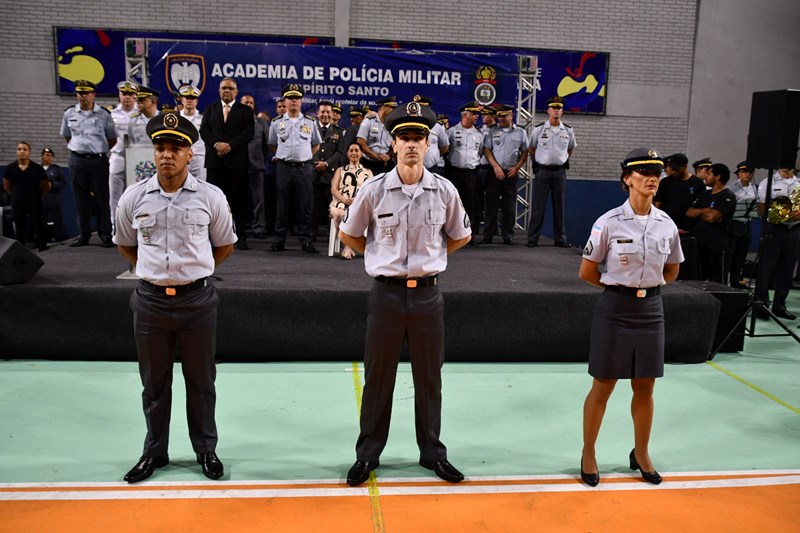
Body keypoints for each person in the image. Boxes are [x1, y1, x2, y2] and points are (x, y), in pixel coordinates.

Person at [340, 100, 471, 487]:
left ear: (429, 144)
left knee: (429, 377)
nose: (412, 144)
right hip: (387, 295)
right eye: (404, 137)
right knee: (379, 377)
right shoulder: (374, 190)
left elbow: (460, 236)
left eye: (419, 137)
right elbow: (350, 233)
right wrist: (380, 255)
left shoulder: (444, 191)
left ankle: (432, 452)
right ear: (393, 143)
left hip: (428, 296)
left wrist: (431, 258)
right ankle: (367, 455)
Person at [114, 111, 236, 484]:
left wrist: (189, 275)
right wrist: (157, 276)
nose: (167, 154)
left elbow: (224, 246)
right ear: (154, 153)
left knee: (201, 381)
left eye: (176, 148)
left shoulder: (211, 197)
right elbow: (125, 245)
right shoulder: (134, 197)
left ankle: (205, 449)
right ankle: (155, 452)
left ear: (190, 154)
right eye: (161, 147)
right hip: (150, 302)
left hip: (197, 303)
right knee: (154, 383)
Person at [578, 147, 683, 488]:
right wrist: (619, 288)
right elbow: (587, 271)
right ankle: (589, 453)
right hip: (615, 310)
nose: (652, 177)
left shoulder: (666, 224)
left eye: (656, 172)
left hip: (651, 311)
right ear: (627, 180)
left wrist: (648, 289)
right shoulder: (607, 222)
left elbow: (673, 268)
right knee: (604, 384)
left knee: (645, 385)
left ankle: (641, 452)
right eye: (643, 172)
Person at [60, 79, 117, 247]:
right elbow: (67, 136)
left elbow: (112, 138)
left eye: (86, 93)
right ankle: (83, 234)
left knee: (101, 198)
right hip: (77, 160)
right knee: (80, 199)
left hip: (98, 160)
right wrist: (79, 149)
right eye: (80, 93)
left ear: (93, 95)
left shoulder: (104, 114)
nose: (83, 96)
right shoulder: (69, 113)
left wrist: (98, 150)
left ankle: (105, 233)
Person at [200, 77, 255, 250]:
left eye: (230, 88)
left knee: (238, 202)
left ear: (236, 92)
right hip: (215, 164)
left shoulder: (245, 111)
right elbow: (204, 131)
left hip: (237, 165)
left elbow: (248, 133)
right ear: (219, 90)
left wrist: (229, 146)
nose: (227, 91)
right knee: (213, 203)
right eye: (224, 88)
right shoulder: (210, 109)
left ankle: (241, 237)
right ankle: (212, 238)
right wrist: (217, 144)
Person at [267, 83, 321, 253]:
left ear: (301, 101)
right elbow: (272, 145)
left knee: (305, 205)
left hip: (304, 169)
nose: (293, 101)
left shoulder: (310, 122)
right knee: (281, 205)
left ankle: (306, 241)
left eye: (296, 98)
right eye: (290, 98)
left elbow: (316, 145)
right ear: (285, 100)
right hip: (283, 168)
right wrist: (285, 156)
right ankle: (279, 240)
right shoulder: (276, 123)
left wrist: (303, 157)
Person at [527, 96, 576, 248]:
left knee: (559, 207)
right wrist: (537, 161)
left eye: (559, 108)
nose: (556, 110)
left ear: (562, 111)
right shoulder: (539, 129)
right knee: (538, 207)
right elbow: (531, 147)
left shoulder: (568, 130)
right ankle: (532, 239)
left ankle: (560, 239)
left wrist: (562, 159)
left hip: (559, 173)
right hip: (543, 172)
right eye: (554, 108)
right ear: (548, 110)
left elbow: (570, 148)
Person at [754, 167, 800, 320]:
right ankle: (762, 305)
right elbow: (761, 209)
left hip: (794, 230)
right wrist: (782, 214)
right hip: (774, 229)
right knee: (766, 268)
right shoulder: (768, 182)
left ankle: (780, 305)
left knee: (787, 269)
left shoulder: (798, 183)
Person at [482, 104, 529, 245]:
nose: (501, 119)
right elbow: (487, 150)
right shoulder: (492, 130)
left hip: (511, 173)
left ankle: (508, 235)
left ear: (511, 115)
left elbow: (525, 151)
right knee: (491, 205)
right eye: (499, 116)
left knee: (509, 206)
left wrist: (517, 167)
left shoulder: (520, 132)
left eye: (504, 116)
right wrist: (496, 167)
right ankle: (488, 235)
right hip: (495, 172)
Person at [686, 163, 736, 284]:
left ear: (717, 177)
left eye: (709, 174)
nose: (705, 177)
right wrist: (705, 210)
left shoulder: (727, 196)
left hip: (717, 245)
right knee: (700, 278)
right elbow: (689, 212)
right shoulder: (705, 194)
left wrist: (702, 213)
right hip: (700, 242)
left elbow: (712, 217)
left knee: (717, 280)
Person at [446, 101, 483, 245]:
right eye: (474, 114)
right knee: (454, 205)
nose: (476, 116)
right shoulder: (452, 132)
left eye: (477, 114)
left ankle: (470, 236)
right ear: (465, 115)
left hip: (471, 174)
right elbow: (446, 150)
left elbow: (479, 153)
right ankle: (453, 235)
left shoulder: (479, 134)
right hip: (455, 172)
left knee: (471, 205)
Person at [329, 142, 372, 259]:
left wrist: (358, 200)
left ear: (361, 153)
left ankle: (348, 247)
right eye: (351, 151)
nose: (354, 153)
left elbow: (371, 191)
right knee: (338, 214)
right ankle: (347, 245)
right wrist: (344, 199)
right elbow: (333, 189)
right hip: (342, 201)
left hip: (360, 204)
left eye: (357, 150)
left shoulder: (368, 172)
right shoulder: (340, 170)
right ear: (347, 154)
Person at [3, 141, 49, 251]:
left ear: (29, 152)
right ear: (16, 152)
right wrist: (15, 195)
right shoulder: (10, 168)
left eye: (25, 149)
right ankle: (20, 251)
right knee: (19, 228)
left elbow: (45, 186)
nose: (22, 152)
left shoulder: (37, 169)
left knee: (39, 227)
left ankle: (42, 248)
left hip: (35, 203)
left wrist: (38, 196)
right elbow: (6, 186)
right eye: (19, 149)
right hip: (18, 203)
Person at [109, 80, 139, 232]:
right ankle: (115, 226)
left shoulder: (141, 113)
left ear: (135, 96)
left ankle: (135, 227)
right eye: (124, 94)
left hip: (137, 157)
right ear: (119, 95)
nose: (127, 97)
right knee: (115, 194)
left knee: (135, 193)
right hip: (118, 155)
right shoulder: (111, 113)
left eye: (130, 94)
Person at [312, 100, 344, 240]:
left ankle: (331, 235)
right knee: (312, 206)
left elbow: (340, 152)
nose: (325, 115)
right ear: (317, 113)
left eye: (328, 112)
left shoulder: (338, 132)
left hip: (330, 174)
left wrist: (326, 164)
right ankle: (310, 234)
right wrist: (315, 163)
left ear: (332, 114)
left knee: (331, 206)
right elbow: (306, 148)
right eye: (322, 112)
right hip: (312, 173)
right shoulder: (311, 128)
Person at [240, 94, 270, 239]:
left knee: (258, 200)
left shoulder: (261, 123)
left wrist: (260, 158)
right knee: (237, 199)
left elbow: (268, 145)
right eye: (245, 102)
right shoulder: (233, 121)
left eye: (251, 103)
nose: (248, 104)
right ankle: (237, 227)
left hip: (256, 165)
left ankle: (258, 227)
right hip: (237, 166)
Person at [653, 153, 706, 233]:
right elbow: (658, 204)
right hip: (668, 225)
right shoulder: (665, 182)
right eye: (672, 169)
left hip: (689, 228)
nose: (674, 172)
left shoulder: (698, 183)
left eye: (677, 169)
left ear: (685, 167)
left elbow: (701, 205)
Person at [727, 161, 758, 287]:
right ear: (738, 174)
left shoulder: (754, 188)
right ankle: (727, 279)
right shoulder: (732, 188)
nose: (748, 175)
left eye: (750, 172)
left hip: (747, 224)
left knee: (741, 253)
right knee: (731, 252)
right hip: (734, 223)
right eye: (745, 172)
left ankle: (736, 279)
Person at [357, 96, 397, 175]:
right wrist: (377, 157)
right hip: (368, 164)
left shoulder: (392, 125)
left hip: (386, 164)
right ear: (384, 107)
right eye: (391, 107)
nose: (393, 110)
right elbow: (361, 143)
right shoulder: (368, 121)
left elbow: (397, 144)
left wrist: (389, 156)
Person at [412, 95, 448, 176]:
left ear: (428, 109)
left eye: (421, 109)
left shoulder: (437, 127)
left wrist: (434, 156)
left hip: (433, 169)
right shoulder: (409, 125)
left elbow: (445, 147)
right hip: (412, 168)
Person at [179, 85, 206, 182]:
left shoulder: (204, 118)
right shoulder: (175, 117)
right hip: (180, 157)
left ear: (196, 101)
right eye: (187, 98)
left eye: (193, 98)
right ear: (182, 100)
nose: (190, 101)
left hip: (198, 159)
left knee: (200, 188)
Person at [40, 147, 68, 242]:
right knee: (42, 220)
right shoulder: (37, 169)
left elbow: (63, 183)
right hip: (42, 199)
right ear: (42, 156)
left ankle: (59, 238)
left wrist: (53, 184)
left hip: (54, 198)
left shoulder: (56, 169)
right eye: (47, 155)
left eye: (51, 156)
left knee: (58, 220)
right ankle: (42, 238)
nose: (49, 157)